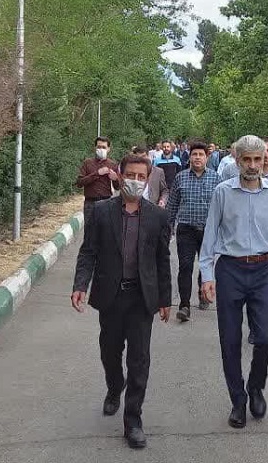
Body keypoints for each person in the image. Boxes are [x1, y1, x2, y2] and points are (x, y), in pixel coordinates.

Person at [71, 153, 172, 450]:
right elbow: (88, 251)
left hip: (141, 298)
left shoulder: (157, 216)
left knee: (139, 359)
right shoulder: (102, 212)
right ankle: (115, 386)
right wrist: (80, 284)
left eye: (141, 177)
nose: (135, 181)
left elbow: (162, 260)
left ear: (148, 179)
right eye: (130, 175)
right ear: (120, 175)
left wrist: (165, 298)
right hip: (111, 296)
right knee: (110, 351)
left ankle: (133, 420)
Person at [199, 135, 268, 429]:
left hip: (265, 270)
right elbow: (210, 234)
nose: (252, 165)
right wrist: (207, 275)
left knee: (264, 337)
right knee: (230, 340)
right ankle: (237, 400)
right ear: (237, 161)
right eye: (246, 159)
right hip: (231, 271)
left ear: (265, 160)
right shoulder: (223, 192)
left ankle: (256, 386)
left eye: (257, 159)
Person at [220, 136, 268, 347]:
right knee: (253, 297)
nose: (262, 159)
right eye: (250, 158)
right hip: (243, 251)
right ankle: (257, 328)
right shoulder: (237, 175)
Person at [167, 140, 221, 321]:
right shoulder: (180, 177)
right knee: (185, 266)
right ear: (189, 157)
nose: (197, 157)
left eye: (201, 154)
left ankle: (202, 292)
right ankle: (184, 305)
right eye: (194, 154)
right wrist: (167, 227)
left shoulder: (216, 178)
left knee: (205, 266)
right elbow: (172, 205)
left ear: (207, 157)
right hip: (186, 229)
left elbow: (222, 207)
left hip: (208, 231)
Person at [76, 137, 119, 239]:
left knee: (105, 233)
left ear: (108, 149)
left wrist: (116, 179)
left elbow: (117, 187)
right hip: (90, 203)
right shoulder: (87, 163)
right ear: (95, 148)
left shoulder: (112, 164)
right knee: (89, 234)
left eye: (104, 147)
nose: (101, 149)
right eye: (99, 147)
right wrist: (97, 173)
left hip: (106, 202)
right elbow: (79, 183)